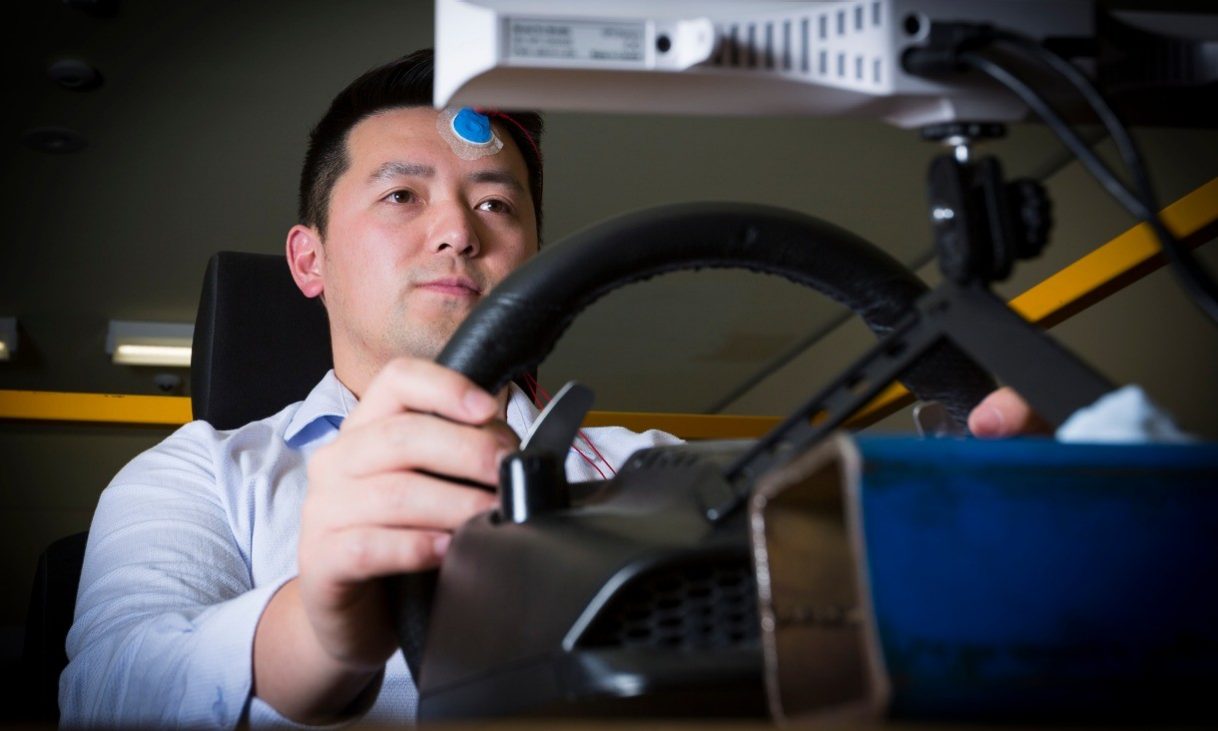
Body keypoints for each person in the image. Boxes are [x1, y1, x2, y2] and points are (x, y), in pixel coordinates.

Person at [59, 49, 1037, 728]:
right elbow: (105, 691)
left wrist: (988, 531)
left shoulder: (662, 471)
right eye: (402, 195)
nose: (460, 230)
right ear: (308, 259)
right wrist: (313, 627)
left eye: (496, 202)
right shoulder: (201, 474)